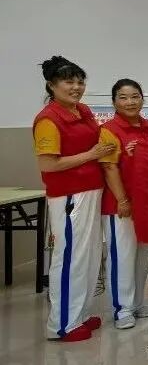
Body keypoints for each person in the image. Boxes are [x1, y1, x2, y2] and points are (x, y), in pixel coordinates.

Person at [34, 56, 113, 342]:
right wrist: (91, 155)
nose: (76, 87)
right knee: (70, 258)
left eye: (80, 82)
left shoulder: (82, 111)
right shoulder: (48, 119)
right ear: (51, 85)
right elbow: (48, 164)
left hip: (92, 191)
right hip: (70, 196)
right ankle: (62, 324)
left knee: (89, 255)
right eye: (69, 82)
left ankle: (79, 314)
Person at [97, 79, 148, 330]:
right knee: (122, 256)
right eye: (123, 97)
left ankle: (137, 302)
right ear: (114, 102)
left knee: (142, 256)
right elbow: (109, 167)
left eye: (135, 96)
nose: (130, 102)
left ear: (142, 99)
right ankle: (122, 308)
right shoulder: (109, 130)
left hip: (145, 204)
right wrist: (122, 199)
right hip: (119, 205)